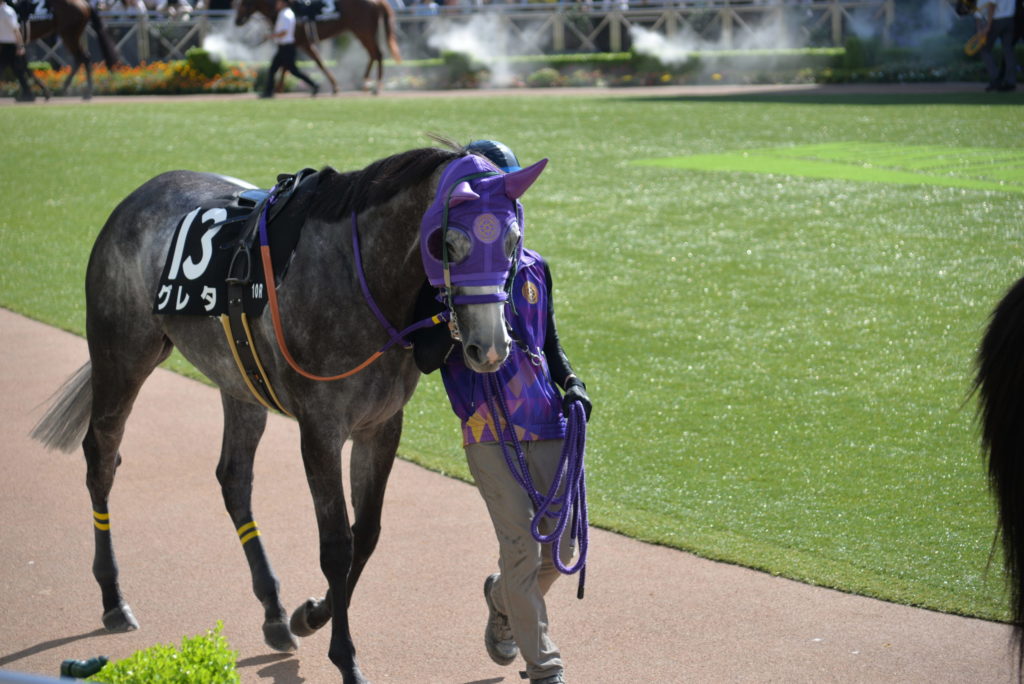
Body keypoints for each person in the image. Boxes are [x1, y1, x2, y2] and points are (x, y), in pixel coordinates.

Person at [411, 140, 592, 684]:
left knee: (563, 545)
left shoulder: (535, 269)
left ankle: (501, 600)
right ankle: (544, 667)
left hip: (547, 419)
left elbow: (549, 342)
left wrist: (572, 382)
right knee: (520, 551)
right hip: (487, 430)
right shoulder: (439, 280)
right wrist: (450, 322)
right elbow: (423, 360)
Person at [259, 0, 318, 98]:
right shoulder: (284, 13)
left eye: (279, 2)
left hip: (286, 47)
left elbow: (284, 32)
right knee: (273, 69)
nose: (277, 4)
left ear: (284, 3)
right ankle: (268, 92)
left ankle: (314, 85)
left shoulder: (286, 14)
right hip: (283, 47)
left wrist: (270, 36)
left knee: (293, 71)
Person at [974, 0, 1018, 91]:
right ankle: (1010, 81)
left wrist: (988, 25)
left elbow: (992, 5)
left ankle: (996, 79)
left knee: (985, 49)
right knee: (1008, 50)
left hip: (996, 20)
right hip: (1010, 19)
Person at [0, 0, 35, 102]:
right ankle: (28, 93)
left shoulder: (8, 12)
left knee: (17, 71)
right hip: (4, 45)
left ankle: (28, 93)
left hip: (10, 46)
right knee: (18, 71)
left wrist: (20, 46)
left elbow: (16, 30)